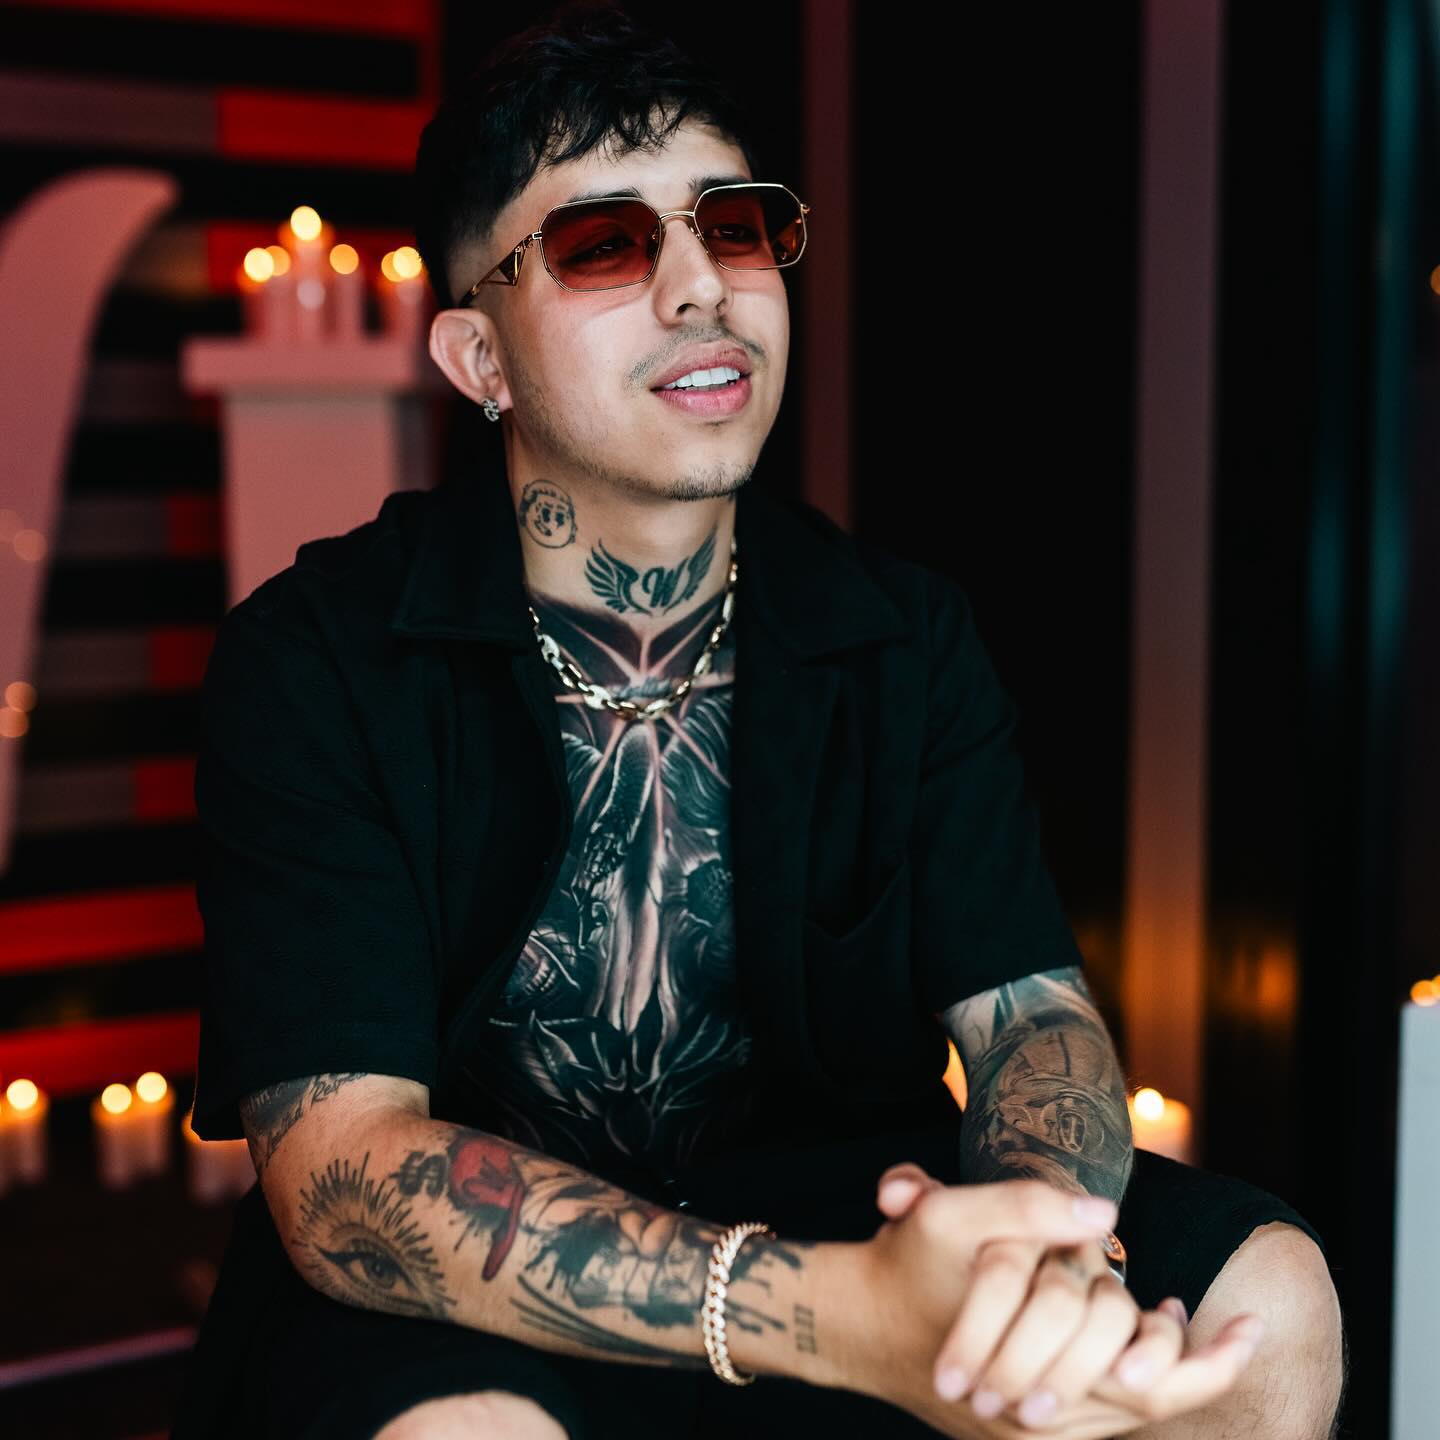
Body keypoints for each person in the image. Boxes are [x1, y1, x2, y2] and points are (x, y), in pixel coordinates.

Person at [171, 4, 1345, 1437]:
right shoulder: (316, 658)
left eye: (732, 228)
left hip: (840, 1202)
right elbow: (345, 1171)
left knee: (1268, 1297)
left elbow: (1032, 1016)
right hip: (481, 1284)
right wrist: (839, 1315)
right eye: (605, 245)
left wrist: (1036, 1249)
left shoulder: (902, 634)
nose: (700, 289)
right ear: (479, 359)